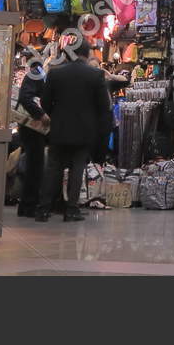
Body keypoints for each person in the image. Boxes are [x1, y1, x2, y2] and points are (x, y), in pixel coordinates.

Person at [36, 38, 113, 222]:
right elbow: (104, 107)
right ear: (87, 54)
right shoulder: (96, 75)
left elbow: (45, 103)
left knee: (53, 168)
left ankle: (43, 209)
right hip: (84, 131)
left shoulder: (55, 73)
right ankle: (71, 209)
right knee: (77, 168)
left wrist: (57, 115)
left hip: (59, 129)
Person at [13, 52, 49, 218]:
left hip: (32, 128)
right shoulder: (37, 75)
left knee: (33, 165)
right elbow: (25, 98)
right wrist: (41, 115)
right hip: (32, 128)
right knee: (35, 166)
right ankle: (29, 206)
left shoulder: (40, 75)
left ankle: (26, 205)